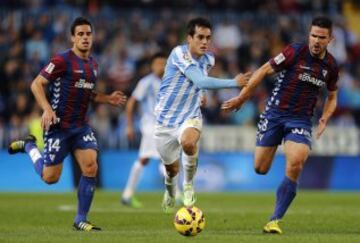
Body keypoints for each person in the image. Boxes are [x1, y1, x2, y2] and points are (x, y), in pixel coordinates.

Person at [8, 17, 127, 231]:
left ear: (93, 37)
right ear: (72, 37)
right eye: (80, 34)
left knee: (91, 166)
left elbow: (87, 93)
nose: (84, 38)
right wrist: (47, 108)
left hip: (81, 126)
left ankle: (80, 219)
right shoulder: (62, 60)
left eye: (88, 34)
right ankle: (29, 146)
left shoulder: (93, 65)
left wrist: (107, 98)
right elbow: (36, 84)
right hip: (58, 127)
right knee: (50, 177)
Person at [222, 16, 338, 234]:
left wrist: (325, 117)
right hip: (274, 114)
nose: (316, 41)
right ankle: (275, 146)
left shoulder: (330, 65)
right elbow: (264, 70)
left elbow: (332, 96)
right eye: (313, 35)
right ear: (309, 35)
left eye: (322, 37)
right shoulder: (294, 52)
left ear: (330, 39)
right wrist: (242, 98)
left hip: (301, 120)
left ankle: (274, 219)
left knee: (296, 162)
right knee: (260, 168)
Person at [154, 17, 251, 213]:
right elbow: (199, 80)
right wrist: (233, 82)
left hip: (190, 115)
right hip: (165, 121)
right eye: (200, 37)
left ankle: (188, 185)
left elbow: (200, 82)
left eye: (208, 38)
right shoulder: (178, 53)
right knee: (171, 170)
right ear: (189, 38)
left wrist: (202, 94)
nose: (205, 42)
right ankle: (171, 189)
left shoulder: (209, 59)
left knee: (189, 143)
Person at [121, 52, 170, 208]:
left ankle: (127, 195)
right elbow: (131, 103)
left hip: (166, 126)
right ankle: (176, 193)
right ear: (152, 66)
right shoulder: (147, 82)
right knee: (165, 158)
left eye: (163, 63)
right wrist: (129, 126)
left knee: (145, 159)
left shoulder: (172, 82)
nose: (160, 66)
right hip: (150, 126)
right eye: (158, 63)